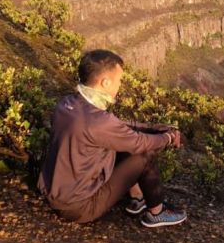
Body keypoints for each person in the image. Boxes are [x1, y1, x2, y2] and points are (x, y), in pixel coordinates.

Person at [37, 49, 187, 227]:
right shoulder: (98, 121)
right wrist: (168, 138)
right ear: (106, 82)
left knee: (121, 145)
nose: (120, 85)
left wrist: (156, 128)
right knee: (145, 154)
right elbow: (139, 143)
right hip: (80, 207)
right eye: (119, 80)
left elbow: (118, 127)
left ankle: (137, 198)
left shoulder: (68, 103)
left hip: (56, 192)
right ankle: (157, 212)